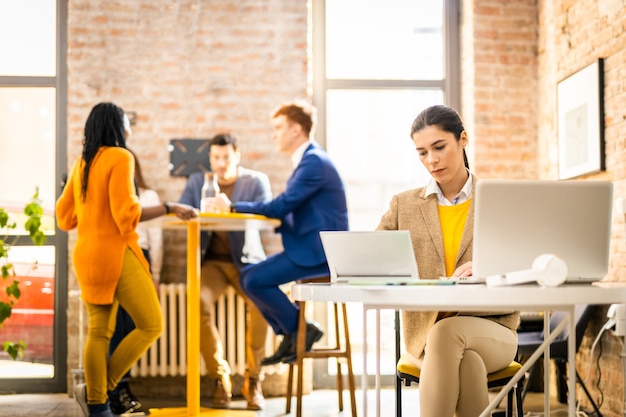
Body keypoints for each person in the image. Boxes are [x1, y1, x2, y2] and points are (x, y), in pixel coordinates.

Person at [375, 104, 519, 417]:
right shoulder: (404, 205)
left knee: (448, 334)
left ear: (463, 139)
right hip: (422, 338)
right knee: (467, 363)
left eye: (439, 147)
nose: (432, 160)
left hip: (493, 328)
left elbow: (523, 263)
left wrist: (486, 269)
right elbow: (374, 255)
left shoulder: (500, 199)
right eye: (422, 152)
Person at [56, 102, 197, 417]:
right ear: (118, 127)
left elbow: (64, 219)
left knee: (98, 332)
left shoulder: (83, 163)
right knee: (151, 324)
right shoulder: (121, 157)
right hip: (116, 254)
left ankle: (96, 404)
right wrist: (170, 206)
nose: (130, 128)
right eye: (126, 122)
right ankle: (102, 388)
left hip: (86, 255)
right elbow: (127, 216)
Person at [214, 100, 349, 366]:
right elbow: (295, 207)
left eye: (278, 128)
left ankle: (298, 329)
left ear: (296, 129)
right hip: (314, 248)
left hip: (321, 253)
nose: (273, 134)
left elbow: (283, 205)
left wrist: (232, 207)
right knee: (250, 277)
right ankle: (295, 331)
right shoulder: (310, 160)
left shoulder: (313, 162)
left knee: (252, 279)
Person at [178, 133, 272, 410]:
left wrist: (229, 209)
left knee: (263, 304)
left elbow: (266, 214)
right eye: (216, 158)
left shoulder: (255, 181)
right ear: (210, 158)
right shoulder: (198, 182)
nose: (220, 163)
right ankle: (220, 378)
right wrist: (198, 211)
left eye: (226, 157)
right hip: (213, 262)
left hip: (248, 261)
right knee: (195, 302)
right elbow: (183, 211)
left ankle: (253, 379)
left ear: (237, 156)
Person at [107, 148, 163, 416]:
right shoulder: (110, 196)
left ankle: (117, 389)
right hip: (115, 257)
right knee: (115, 326)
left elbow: (156, 239)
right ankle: (116, 390)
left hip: (142, 258)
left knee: (137, 326)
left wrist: (157, 275)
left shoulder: (149, 195)